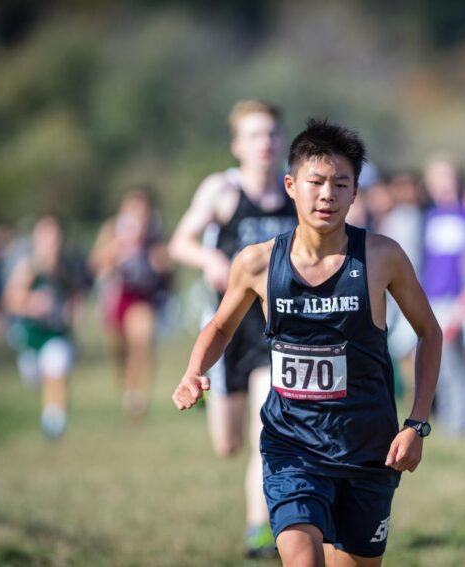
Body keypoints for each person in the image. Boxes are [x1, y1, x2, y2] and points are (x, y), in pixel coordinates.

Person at [172, 118, 441, 567]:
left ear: (356, 193)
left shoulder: (382, 257)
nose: (327, 195)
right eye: (316, 182)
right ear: (291, 185)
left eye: (341, 184)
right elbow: (220, 326)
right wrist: (194, 370)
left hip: (367, 449)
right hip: (290, 446)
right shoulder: (257, 263)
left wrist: (417, 424)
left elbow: (429, 332)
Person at [167, 100, 297, 557]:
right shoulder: (222, 190)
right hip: (226, 330)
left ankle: (258, 527)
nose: (267, 142)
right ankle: (214, 403)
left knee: (268, 431)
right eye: (256, 135)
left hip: (273, 332)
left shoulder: (295, 191)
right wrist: (211, 259)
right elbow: (179, 242)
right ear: (237, 145)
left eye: (273, 134)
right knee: (228, 444)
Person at [89, 188, 172, 420]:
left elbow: (167, 263)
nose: (138, 217)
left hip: (142, 297)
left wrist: (162, 261)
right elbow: (95, 264)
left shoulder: (154, 235)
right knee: (119, 351)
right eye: (133, 211)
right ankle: (125, 380)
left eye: (142, 212)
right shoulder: (111, 231)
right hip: (116, 297)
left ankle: (138, 397)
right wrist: (117, 249)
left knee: (142, 341)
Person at [3, 216, 78, 439]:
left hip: (57, 335)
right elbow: (10, 300)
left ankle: (54, 420)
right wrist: (31, 303)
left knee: (57, 365)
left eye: (55, 236)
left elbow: (73, 295)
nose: (52, 242)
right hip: (31, 338)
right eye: (46, 236)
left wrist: (69, 312)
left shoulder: (66, 268)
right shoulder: (28, 268)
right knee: (37, 378)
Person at [420, 154, 465, 437]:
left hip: (459, 301)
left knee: (455, 365)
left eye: (447, 176)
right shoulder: (429, 217)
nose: (442, 183)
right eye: (436, 177)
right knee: (437, 365)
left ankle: (461, 426)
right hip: (433, 300)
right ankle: (445, 420)